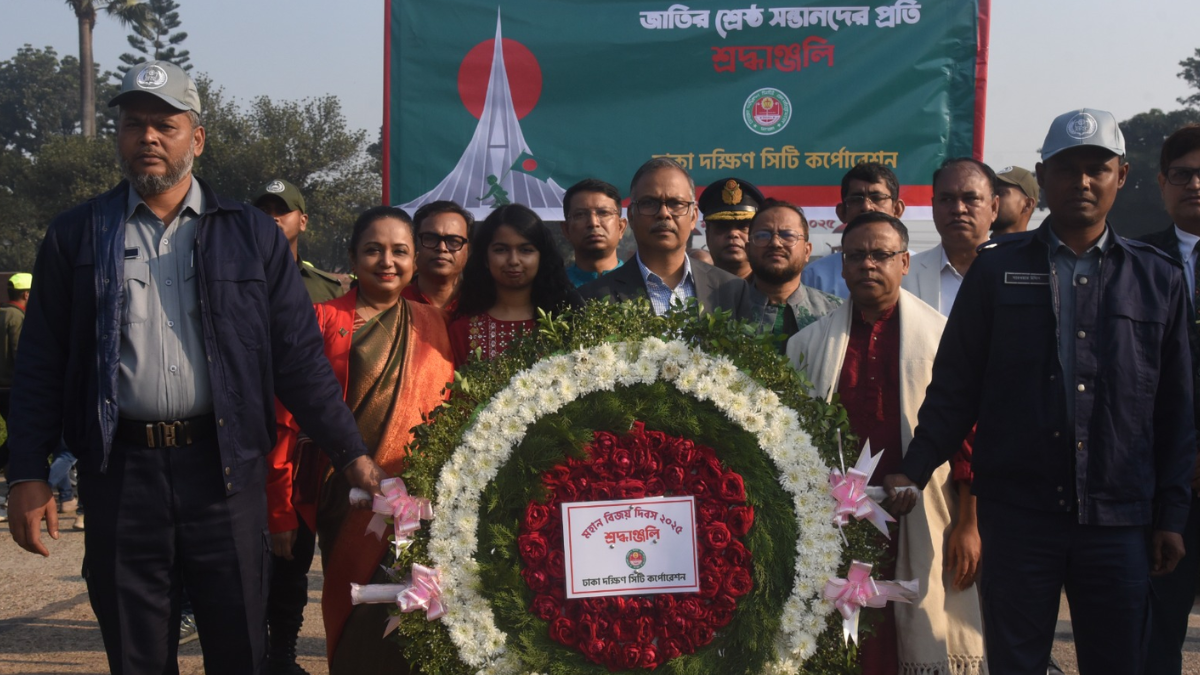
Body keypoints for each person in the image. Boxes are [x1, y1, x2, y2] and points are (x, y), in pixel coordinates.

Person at [5, 60, 387, 675]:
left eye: (165, 125)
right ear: (120, 136)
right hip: (120, 474)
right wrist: (26, 470)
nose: (148, 138)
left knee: (240, 645)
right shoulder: (77, 235)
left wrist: (353, 453)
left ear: (197, 138)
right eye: (134, 125)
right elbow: (42, 363)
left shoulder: (250, 237)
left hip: (224, 473)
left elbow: (298, 359)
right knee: (136, 653)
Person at [885, 108, 1195, 673]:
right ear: (1041, 176)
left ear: (1121, 177)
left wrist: (1171, 514)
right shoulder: (995, 271)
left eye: (1096, 169)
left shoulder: (1158, 279)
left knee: (1120, 661)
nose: (1081, 181)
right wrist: (916, 465)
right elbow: (956, 386)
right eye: (1067, 168)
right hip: (1019, 515)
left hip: (1118, 517)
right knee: (1017, 663)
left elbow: (1175, 410)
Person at [787, 212, 985, 674]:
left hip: (922, 513)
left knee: (920, 633)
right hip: (834, 523)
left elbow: (970, 442)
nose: (868, 265)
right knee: (845, 644)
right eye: (856, 256)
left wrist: (969, 524)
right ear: (842, 266)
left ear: (905, 262)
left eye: (881, 255)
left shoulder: (944, 336)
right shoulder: (807, 345)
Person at [271, 205, 455, 674]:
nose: (387, 261)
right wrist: (279, 507)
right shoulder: (321, 319)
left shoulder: (432, 323)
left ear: (415, 261)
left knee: (420, 614)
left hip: (420, 499)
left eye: (400, 251)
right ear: (353, 257)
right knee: (353, 609)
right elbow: (287, 418)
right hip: (347, 498)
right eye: (373, 250)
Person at [1140, 124, 1200, 675]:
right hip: (1159, 486)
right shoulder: (1136, 260)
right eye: (1183, 174)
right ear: (1162, 183)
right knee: (1155, 635)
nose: (1196, 184)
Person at [580, 158, 754, 319]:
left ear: (693, 217)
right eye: (649, 203)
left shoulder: (732, 291)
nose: (663, 213)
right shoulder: (593, 298)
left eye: (675, 204)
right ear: (631, 216)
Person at [450, 204, 579, 365]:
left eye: (526, 250)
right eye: (500, 250)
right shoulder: (463, 329)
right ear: (485, 258)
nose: (513, 261)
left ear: (542, 257)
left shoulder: (566, 321)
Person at [903, 158, 999, 314]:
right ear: (933, 207)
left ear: (994, 207)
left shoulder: (1018, 271)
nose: (958, 209)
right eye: (947, 199)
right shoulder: (904, 275)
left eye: (970, 198)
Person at [803, 162, 907, 299]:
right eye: (856, 199)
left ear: (897, 209)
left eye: (877, 198)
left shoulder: (922, 270)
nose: (866, 207)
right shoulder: (815, 275)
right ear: (842, 212)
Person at [744, 200, 841, 341]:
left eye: (787, 235)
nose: (775, 243)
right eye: (763, 235)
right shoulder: (723, 309)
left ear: (807, 251)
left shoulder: (836, 313)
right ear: (748, 250)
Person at [254, 178, 345, 303]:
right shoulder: (228, 280)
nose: (273, 218)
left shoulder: (327, 290)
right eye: (263, 211)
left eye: (282, 210)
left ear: (302, 222)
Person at [406, 200, 473, 311]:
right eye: (430, 239)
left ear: (468, 250)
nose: (442, 248)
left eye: (454, 241)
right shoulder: (393, 304)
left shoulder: (483, 305)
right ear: (414, 246)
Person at [561, 178, 628, 287]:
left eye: (604, 213)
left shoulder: (644, 284)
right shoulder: (552, 288)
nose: (593, 223)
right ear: (566, 229)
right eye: (580, 214)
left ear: (621, 227)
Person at [699, 176, 764, 279]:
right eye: (722, 227)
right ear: (708, 235)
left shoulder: (775, 290)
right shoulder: (691, 290)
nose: (733, 233)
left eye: (743, 227)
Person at [0, 272, 30, 472]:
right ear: (26, 295)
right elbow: (20, 352)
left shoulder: (2, 313)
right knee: (21, 435)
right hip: (11, 387)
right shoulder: (17, 317)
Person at [992, 166, 1040, 236]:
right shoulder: (976, 246)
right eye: (991, 193)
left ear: (1027, 204)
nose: (992, 199)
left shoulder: (1046, 246)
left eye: (1001, 193)